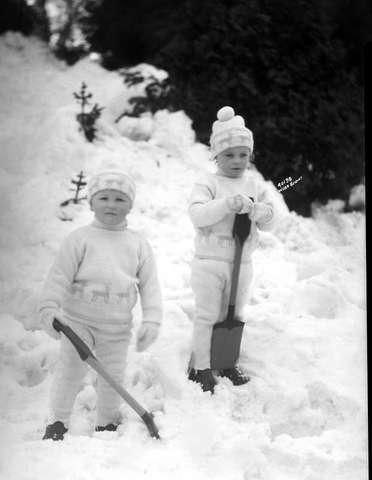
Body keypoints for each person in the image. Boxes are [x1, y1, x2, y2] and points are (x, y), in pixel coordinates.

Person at [39, 169, 162, 440]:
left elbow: (150, 286)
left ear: (130, 204)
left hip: (117, 328)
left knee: (112, 377)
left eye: (120, 199)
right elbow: (58, 276)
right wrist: (49, 308)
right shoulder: (80, 239)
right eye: (104, 197)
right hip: (77, 323)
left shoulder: (137, 244)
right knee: (69, 373)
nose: (111, 205)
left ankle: (106, 422)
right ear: (91, 202)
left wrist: (152, 320)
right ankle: (57, 421)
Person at [188, 106, 276, 394]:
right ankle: (200, 367)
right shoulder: (209, 183)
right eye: (229, 154)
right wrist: (227, 204)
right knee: (208, 315)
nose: (237, 160)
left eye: (243, 154)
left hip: (243, 262)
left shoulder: (255, 184)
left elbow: (271, 222)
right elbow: (197, 215)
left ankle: (226, 361)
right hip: (210, 262)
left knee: (235, 315)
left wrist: (263, 213)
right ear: (216, 155)